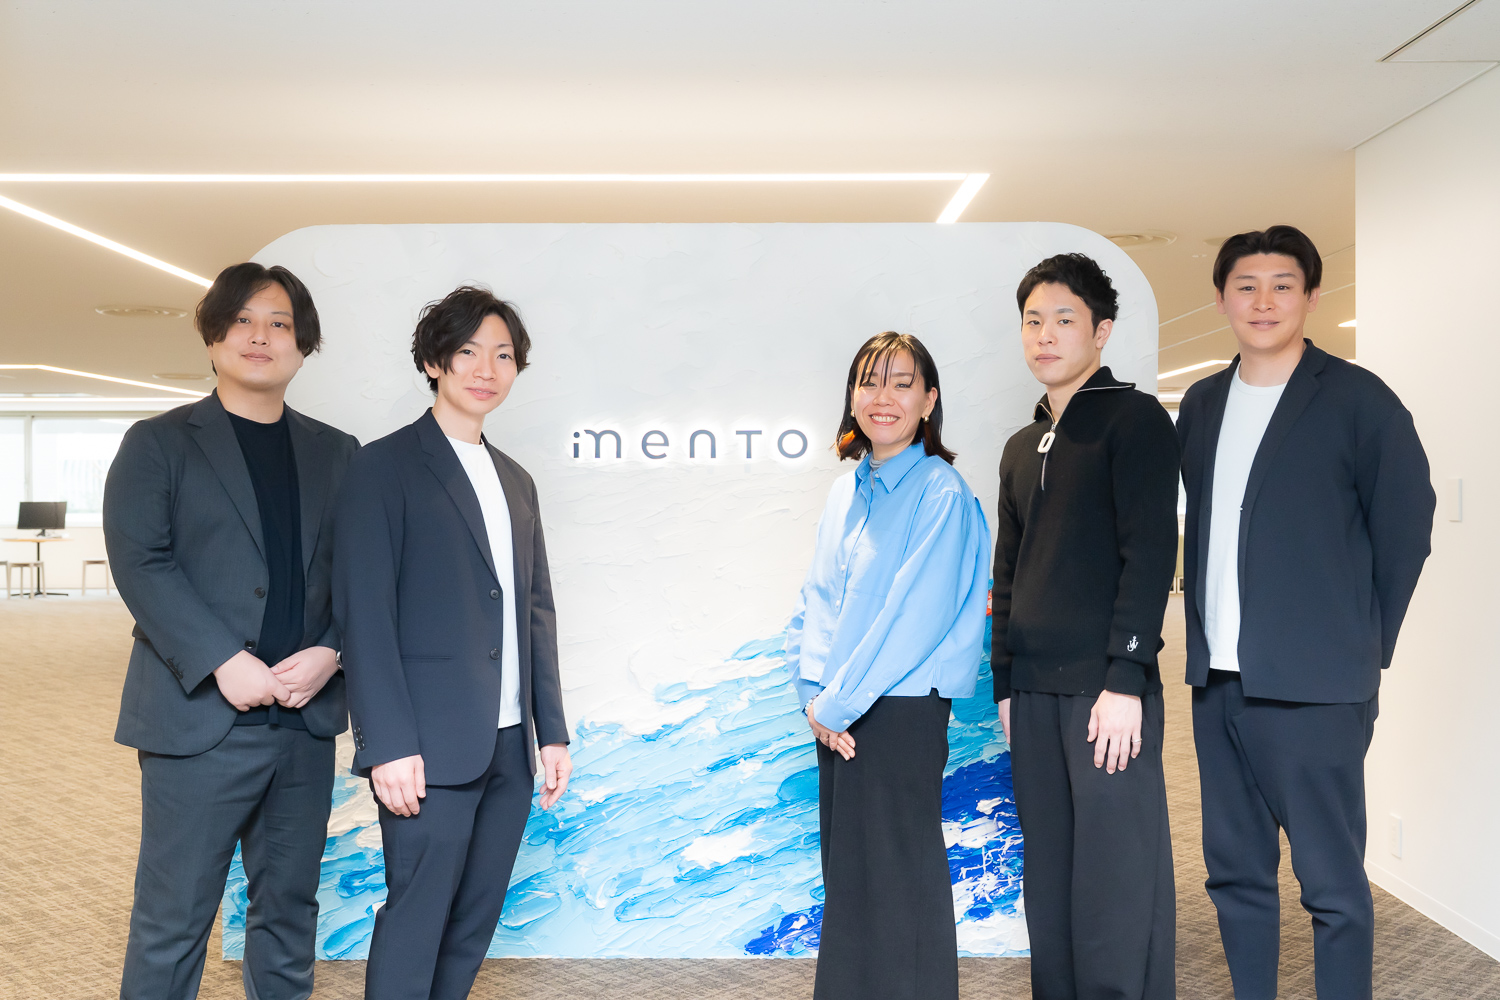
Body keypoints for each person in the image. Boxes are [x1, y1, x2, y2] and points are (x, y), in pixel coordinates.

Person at [1179, 226, 1434, 1000]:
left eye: (1282, 285)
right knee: (1234, 875)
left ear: (1312, 296)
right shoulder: (1202, 403)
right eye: (1246, 286)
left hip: (1318, 689)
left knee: (1332, 886)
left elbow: (1405, 530)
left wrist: (1361, 642)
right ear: (1222, 299)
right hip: (1218, 681)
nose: (1263, 301)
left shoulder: (1359, 400)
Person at [105, 262, 359, 1000]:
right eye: (243, 320)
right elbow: (141, 563)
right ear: (214, 336)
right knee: (174, 919)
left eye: (280, 323)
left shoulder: (338, 452)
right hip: (198, 721)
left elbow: (364, 574)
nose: (260, 336)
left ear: (303, 345)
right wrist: (222, 659)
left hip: (303, 720)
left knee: (289, 913)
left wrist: (333, 650)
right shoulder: (158, 443)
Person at [332, 285, 572, 1000]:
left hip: (509, 747)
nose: (486, 369)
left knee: (472, 925)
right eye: (467, 351)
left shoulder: (516, 481)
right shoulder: (382, 468)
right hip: (426, 748)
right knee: (417, 920)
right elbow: (365, 616)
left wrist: (551, 733)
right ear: (434, 362)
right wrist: (387, 744)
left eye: (503, 355)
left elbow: (535, 610)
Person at [991, 253, 1179, 1000]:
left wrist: (1126, 680)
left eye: (1063, 319)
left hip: (1107, 693)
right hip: (1034, 695)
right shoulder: (1020, 446)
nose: (1045, 335)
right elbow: (1008, 576)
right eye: (1033, 321)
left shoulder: (1134, 421)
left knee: (1116, 879)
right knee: (1051, 877)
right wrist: (1006, 685)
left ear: (1100, 332)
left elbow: (1150, 555)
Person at [785, 331, 990, 1000]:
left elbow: (914, 621)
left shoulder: (941, 492)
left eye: (903, 384)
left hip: (898, 713)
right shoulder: (846, 490)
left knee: (901, 887)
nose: (884, 397)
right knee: (852, 885)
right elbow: (816, 600)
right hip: (837, 714)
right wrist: (813, 695)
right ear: (851, 397)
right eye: (870, 381)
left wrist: (835, 704)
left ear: (929, 401)